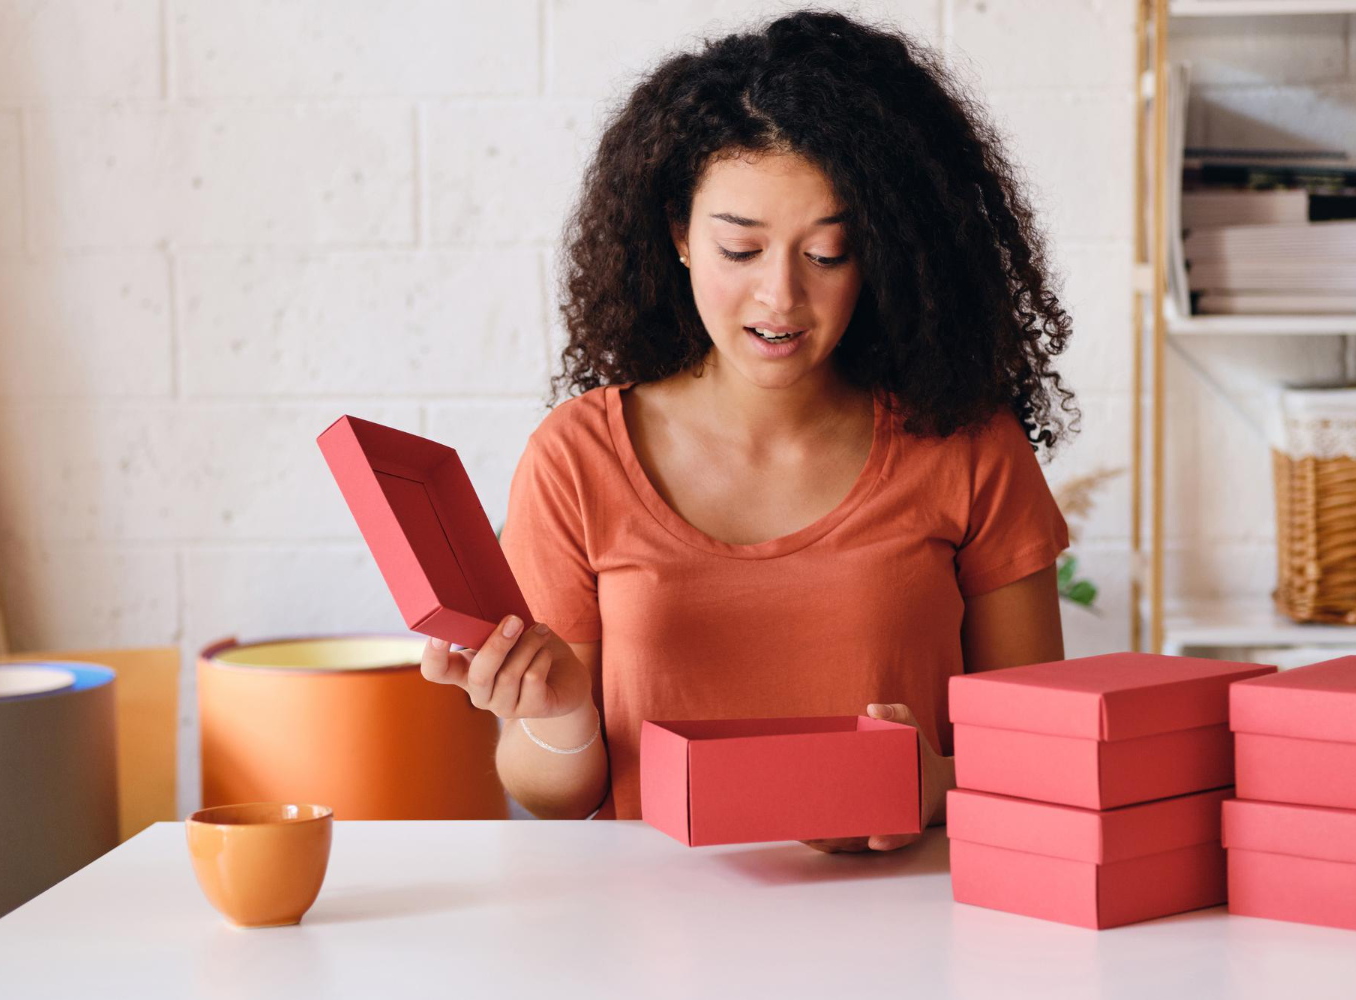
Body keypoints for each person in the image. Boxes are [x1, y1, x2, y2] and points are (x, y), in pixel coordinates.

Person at [420, 10, 1076, 852]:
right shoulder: (577, 458)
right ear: (680, 237)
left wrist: (935, 785)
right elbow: (558, 799)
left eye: (828, 253)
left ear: (881, 252)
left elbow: (1048, 758)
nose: (781, 298)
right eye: (740, 250)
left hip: (907, 939)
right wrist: (554, 714)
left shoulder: (967, 446)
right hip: (655, 948)